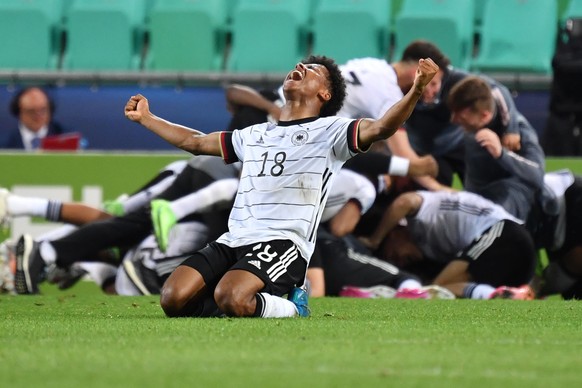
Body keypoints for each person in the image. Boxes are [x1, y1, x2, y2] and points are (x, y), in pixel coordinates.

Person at [80, 54, 438, 320]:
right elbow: (198, 142)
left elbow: (381, 128)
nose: (300, 67)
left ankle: (293, 306)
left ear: (326, 93)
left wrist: (417, 89)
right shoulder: (257, 134)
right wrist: (148, 118)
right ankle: (244, 306)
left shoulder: (332, 132)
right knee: (173, 299)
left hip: (283, 242)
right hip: (234, 238)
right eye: (299, 65)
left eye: (312, 70)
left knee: (232, 297)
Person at [226, 40, 451, 192]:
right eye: (435, 82)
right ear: (417, 71)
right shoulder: (388, 93)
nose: (433, 91)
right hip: (291, 138)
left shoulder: (373, 64)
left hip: (278, 123)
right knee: (364, 186)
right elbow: (405, 155)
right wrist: (439, 189)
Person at [360, 190, 537, 300]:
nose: (401, 261)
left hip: (506, 232)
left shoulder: (419, 218)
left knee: (433, 290)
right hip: (512, 262)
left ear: (395, 233)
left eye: (393, 254)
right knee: (439, 291)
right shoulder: (431, 251)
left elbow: (403, 202)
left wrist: (375, 240)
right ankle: (506, 294)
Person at [447, 75, 546, 225]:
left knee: (493, 217)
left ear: (484, 115)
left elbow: (537, 176)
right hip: (480, 196)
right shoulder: (470, 131)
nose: (453, 120)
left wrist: (501, 154)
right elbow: (493, 86)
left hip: (514, 199)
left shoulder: (520, 132)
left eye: (460, 115)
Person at [2, 87, 68, 150]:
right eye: (31, 111)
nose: (38, 116)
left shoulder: (65, 139)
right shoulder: (5, 144)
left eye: (43, 110)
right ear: (18, 112)